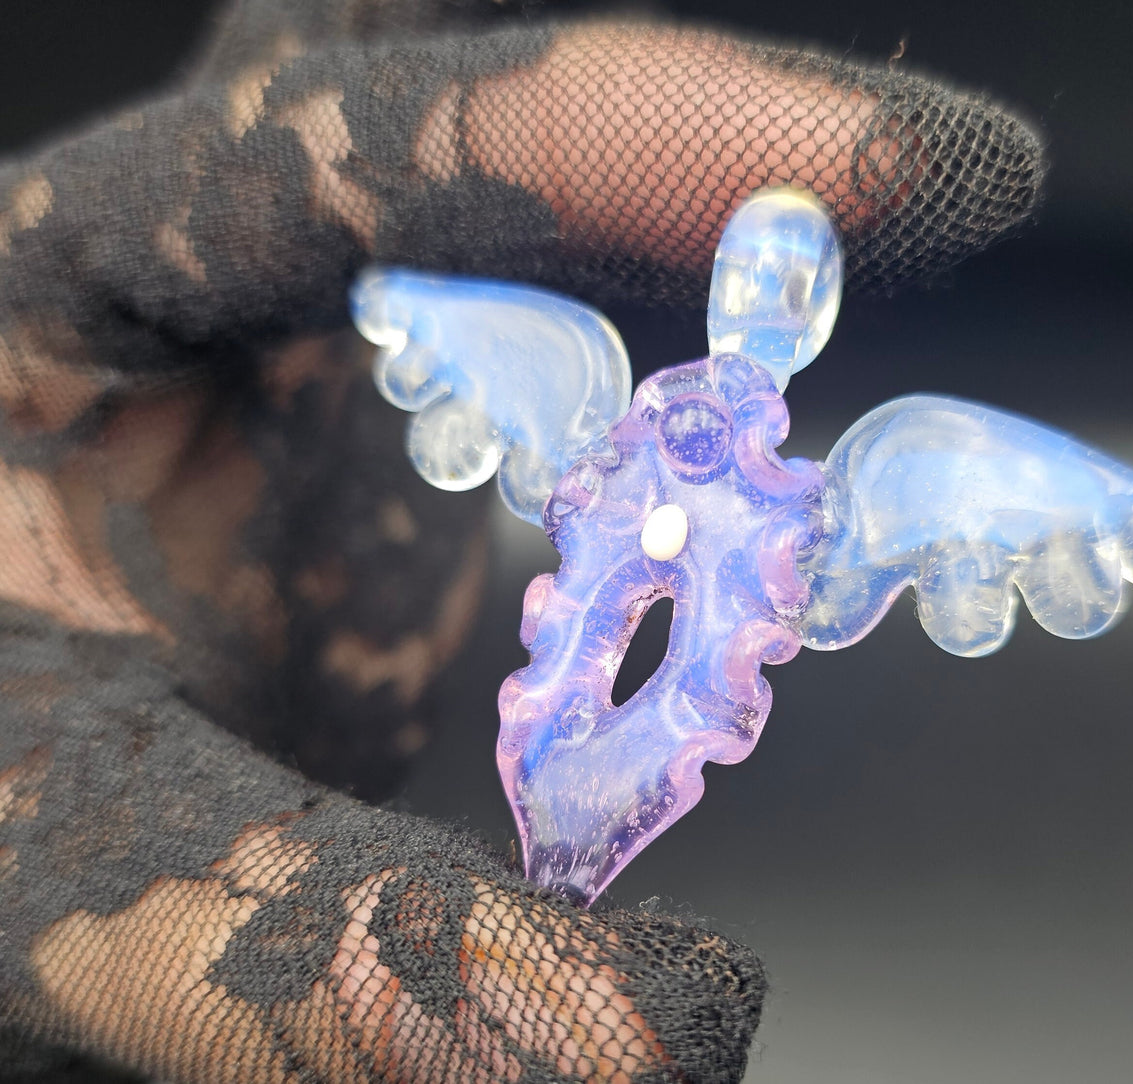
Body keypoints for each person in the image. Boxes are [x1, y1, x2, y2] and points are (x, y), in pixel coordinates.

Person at [0, 2, 1042, 1080]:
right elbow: (513, 419)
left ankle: (563, 860)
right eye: (749, 285)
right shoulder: (612, 426)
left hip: (649, 735)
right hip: (556, 723)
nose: (758, 307)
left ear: (808, 323)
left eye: (778, 299)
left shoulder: (795, 502)